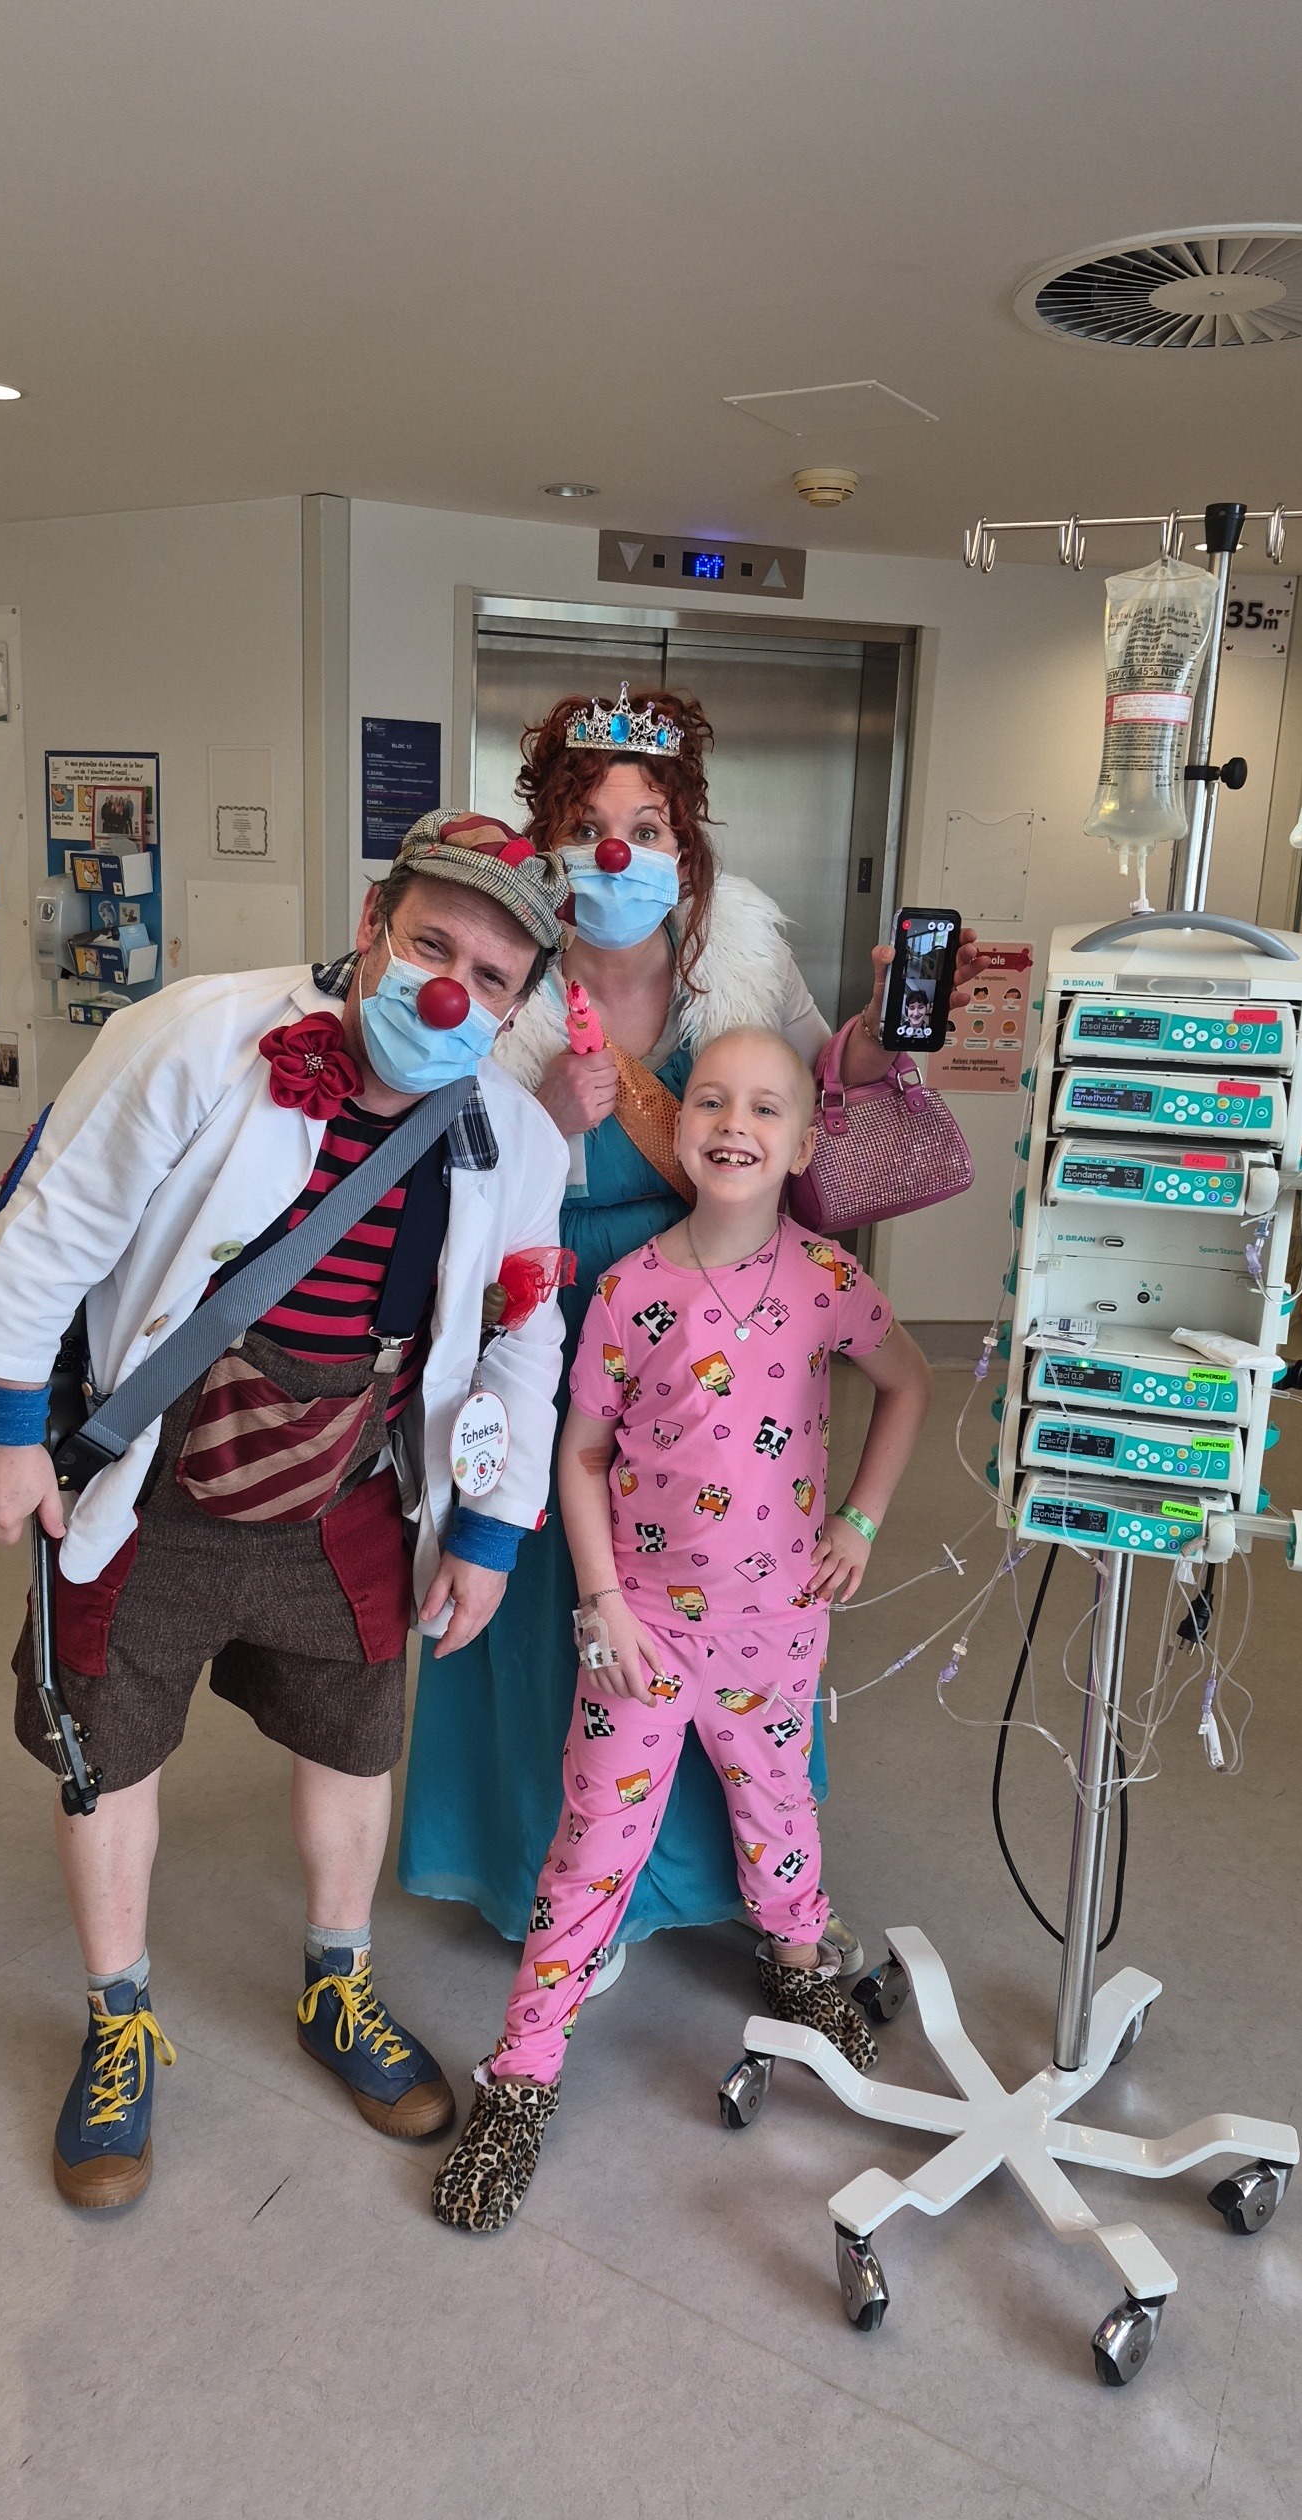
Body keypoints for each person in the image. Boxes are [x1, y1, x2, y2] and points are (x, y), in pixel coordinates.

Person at [0, 811, 571, 2209]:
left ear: (522, 1004)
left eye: (492, 976)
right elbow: (58, 1212)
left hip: (346, 1484)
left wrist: (487, 1527)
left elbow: (522, 1345)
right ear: (372, 923)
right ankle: (118, 2020)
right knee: (106, 1747)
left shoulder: (519, 1140)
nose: (451, 990)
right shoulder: (197, 1034)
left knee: (355, 1737)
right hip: (150, 1477)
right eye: (432, 945)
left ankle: (337, 1986)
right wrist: (2, 1421)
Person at [400, 684, 975, 1973]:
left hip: (719, 1328)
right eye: (587, 824)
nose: (618, 852)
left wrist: (888, 1020)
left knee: (723, 1598)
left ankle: (728, 1876)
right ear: (549, 840)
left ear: (685, 840)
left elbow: (816, 1086)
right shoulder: (501, 969)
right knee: (561, 1602)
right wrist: (549, 1116)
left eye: (648, 826)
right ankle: (566, 1888)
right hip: (550, 1318)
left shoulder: (741, 953)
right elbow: (440, 1157)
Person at [431, 1028, 933, 2230]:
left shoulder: (828, 1281)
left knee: (780, 1810)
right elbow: (581, 1453)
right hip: (643, 1632)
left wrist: (861, 1517)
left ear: (802, 1144)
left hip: (778, 1626)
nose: (734, 1123)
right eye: (711, 1100)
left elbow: (909, 1381)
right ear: (679, 1125)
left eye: (765, 1107)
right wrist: (602, 1600)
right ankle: (521, 2075)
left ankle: (800, 1968)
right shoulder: (631, 1290)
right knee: (592, 1848)